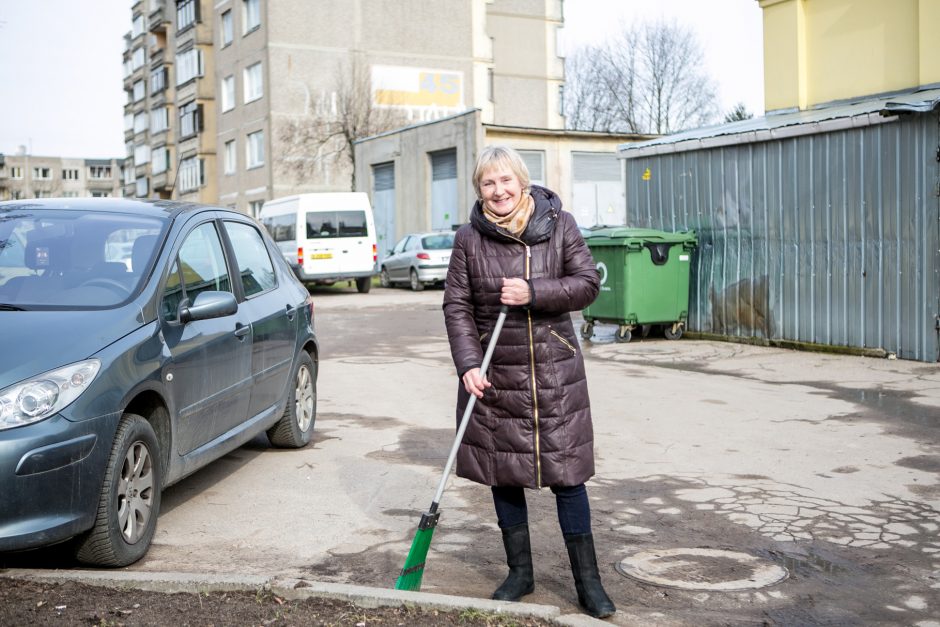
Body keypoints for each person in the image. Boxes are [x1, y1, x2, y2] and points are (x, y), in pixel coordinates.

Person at [442, 145, 616, 619]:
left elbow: (586, 284)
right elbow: (457, 307)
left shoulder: (560, 225)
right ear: (480, 190)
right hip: (495, 372)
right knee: (504, 474)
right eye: (487, 184)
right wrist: (468, 363)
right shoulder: (468, 241)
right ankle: (520, 573)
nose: (498, 191)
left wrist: (534, 292)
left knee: (569, 477)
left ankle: (589, 583)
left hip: (554, 372)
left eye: (505, 181)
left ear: (522, 182)